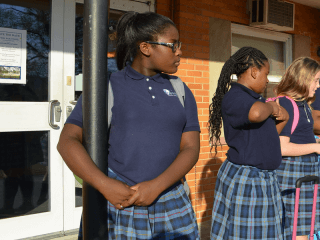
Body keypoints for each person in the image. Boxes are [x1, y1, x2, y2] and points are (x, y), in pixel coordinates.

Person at [57, 11, 201, 239]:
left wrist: (157, 186)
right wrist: (104, 185)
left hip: (171, 200)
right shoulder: (106, 86)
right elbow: (67, 141)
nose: (180, 51)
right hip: (119, 202)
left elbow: (191, 148)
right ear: (145, 47)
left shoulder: (181, 90)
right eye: (173, 44)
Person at [208, 46, 289, 240]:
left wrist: (280, 114)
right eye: (266, 74)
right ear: (254, 71)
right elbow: (256, 114)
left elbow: (275, 126)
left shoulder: (256, 100)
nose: (268, 80)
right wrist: (271, 106)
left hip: (264, 179)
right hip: (248, 179)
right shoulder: (236, 97)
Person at [274, 57, 320, 240]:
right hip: (292, 176)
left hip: (305, 175)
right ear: (303, 79)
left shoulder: (305, 105)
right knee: (296, 231)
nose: (318, 85)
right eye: (316, 80)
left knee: (304, 230)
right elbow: (282, 147)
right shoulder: (286, 103)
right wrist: (316, 147)